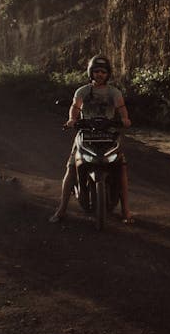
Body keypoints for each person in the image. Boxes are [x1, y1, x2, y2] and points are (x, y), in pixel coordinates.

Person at [49, 55, 133, 224]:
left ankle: (126, 211)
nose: (99, 74)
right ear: (91, 73)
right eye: (96, 71)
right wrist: (72, 120)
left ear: (108, 74)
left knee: (121, 168)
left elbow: (122, 110)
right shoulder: (83, 91)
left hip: (109, 135)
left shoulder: (114, 92)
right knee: (72, 168)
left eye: (103, 71)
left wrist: (125, 119)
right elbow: (75, 107)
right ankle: (61, 209)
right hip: (86, 134)